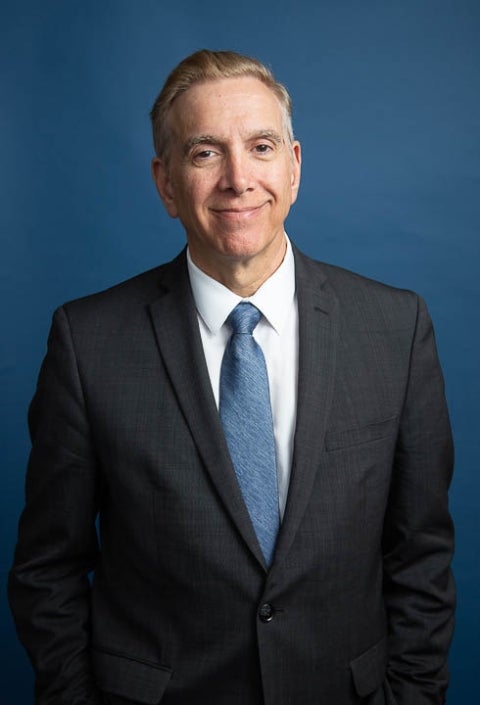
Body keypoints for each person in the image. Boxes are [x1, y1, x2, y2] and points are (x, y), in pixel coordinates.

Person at [9, 49, 455, 705]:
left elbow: (420, 553)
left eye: (261, 146)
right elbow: (48, 567)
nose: (238, 178)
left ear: (294, 167)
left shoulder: (395, 327)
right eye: (205, 153)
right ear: (165, 184)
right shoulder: (88, 342)